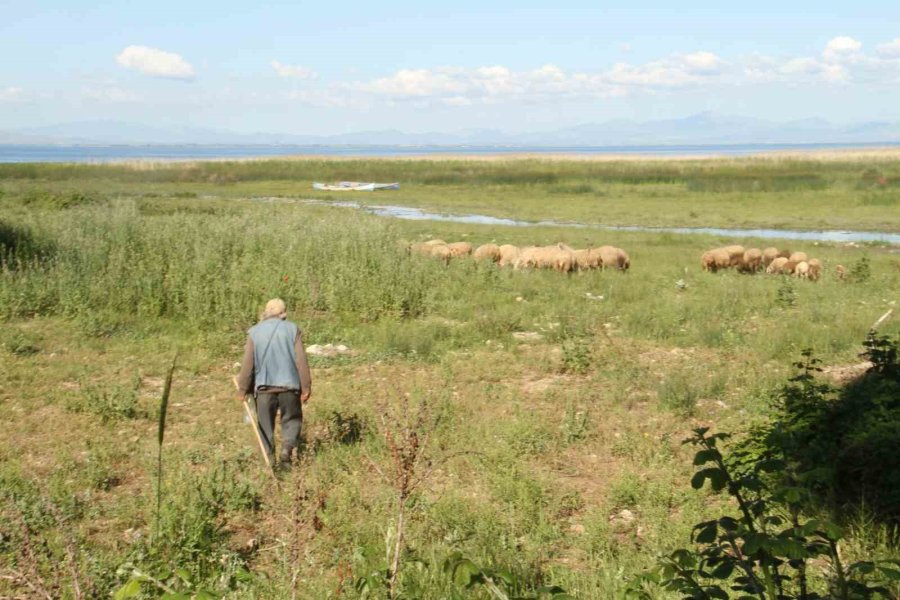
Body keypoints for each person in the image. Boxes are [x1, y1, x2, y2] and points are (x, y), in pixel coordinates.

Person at [236, 298, 312, 467]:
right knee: (292, 420)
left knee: (265, 426)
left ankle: (269, 462)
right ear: (283, 314)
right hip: (289, 387)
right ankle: (287, 449)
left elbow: (248, 364)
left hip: (263, 389)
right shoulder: (293, 329)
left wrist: (242, 389)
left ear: (266, 313)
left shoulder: (254, 332)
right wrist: (306, 386)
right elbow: (301, 360)